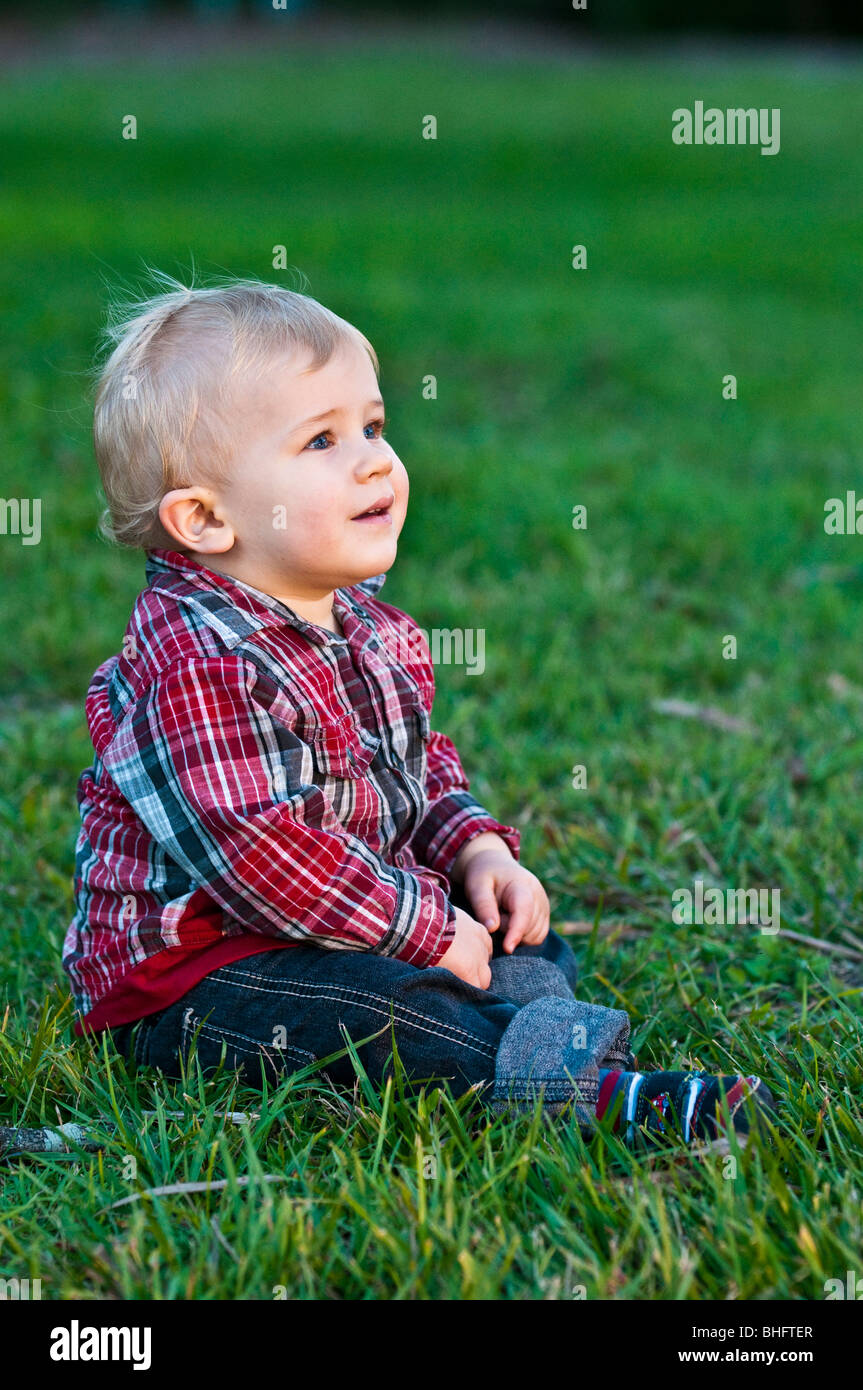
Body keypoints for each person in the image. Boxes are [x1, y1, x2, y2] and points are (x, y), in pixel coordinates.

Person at [63, 271, 776, 1147]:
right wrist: (421, 928)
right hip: (203, 973)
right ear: (206, 519)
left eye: (372, 426)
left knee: (512, 932)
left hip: (343, 916)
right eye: (320, 442)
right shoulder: (198, 663)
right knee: (382, 1019)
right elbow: (265, 861)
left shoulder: (362, 624)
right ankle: (580, 1088)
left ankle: (522, 1034)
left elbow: (413, 765)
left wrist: (471, 848)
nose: (374, 459)